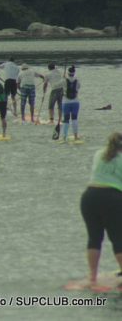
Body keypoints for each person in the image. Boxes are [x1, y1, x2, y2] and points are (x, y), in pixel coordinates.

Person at [80, 132, 122, 285]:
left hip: (89, 197)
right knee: (118, 239)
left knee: (94, 238)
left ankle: (92, 277)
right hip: (112, 198)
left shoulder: (99, 154)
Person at [61, 65, 81, 142]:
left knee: (66, 120)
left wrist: (63, 78)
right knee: (74, 119)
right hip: (76, 102)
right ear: (74, 73)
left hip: (66, 102)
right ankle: (76, 136)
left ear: (67, 73)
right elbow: (78, 87)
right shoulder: (77, 81)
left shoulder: (63, 80)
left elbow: (58, 85)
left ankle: (64, 137)